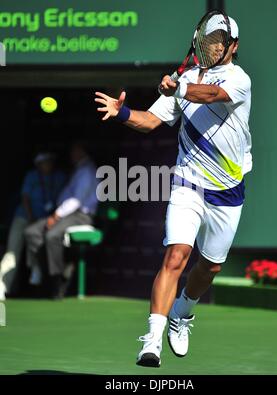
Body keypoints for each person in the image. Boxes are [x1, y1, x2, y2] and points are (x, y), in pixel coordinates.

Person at [95, 15, 251, 367]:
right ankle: (151, 341)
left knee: (209, 268)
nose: (212, 44)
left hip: (227, 190)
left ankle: (183, 312)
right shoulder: (184, 79)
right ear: (199, 40)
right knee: (176, 255)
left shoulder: (239, 80)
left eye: (220, 39)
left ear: (232, 47)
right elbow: (150, 121)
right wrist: (122, 113)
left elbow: (212, 94)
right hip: (188, 181)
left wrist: (179, 88)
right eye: (207, 38)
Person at [24, 142, 99, 299]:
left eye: (74, 149)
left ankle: (56, 281)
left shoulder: (87, 171)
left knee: (52, 236)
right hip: (66, 214)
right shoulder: (77, 169)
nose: (71, 153)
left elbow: (76, 201)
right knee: (31, 232)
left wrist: (56, 216)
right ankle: (47, 271)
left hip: (80, 216)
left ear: (82, 150)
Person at [0, 153, 65, 301]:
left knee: (38, 238)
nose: (47, 165)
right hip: (23, 217)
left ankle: (36, 269)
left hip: (43, 220)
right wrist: (30, 219)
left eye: (49, 161)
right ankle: (2, 285)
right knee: (12, 251)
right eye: (43, 162)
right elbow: (25, 198)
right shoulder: (31, 176)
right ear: (38, 165)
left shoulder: (59, 177)